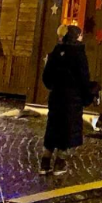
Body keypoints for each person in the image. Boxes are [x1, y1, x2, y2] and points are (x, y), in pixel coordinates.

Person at [41, 24, 91, 176]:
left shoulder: (57, 52)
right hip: (72, 98)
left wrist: (53, 86)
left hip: (56, 96)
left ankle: (45, 162)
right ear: (76, 37)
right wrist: (86, 96)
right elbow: (84, 78)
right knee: (67, 129)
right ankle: (60, 163)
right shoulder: (79, 53)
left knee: (53, 126)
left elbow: (47, 76)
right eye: (80, 35)